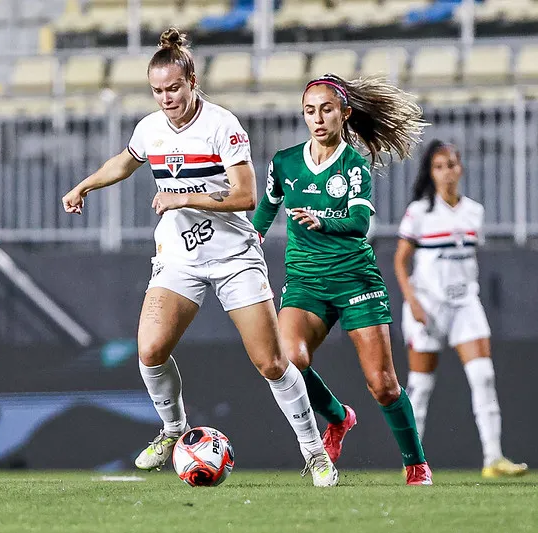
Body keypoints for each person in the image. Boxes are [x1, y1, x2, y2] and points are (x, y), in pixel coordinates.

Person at [61, 28, 337, 486]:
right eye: (157, 91)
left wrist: (182, 197)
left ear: (192, 80)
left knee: (270, 361)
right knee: (149, 350)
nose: (166, 99)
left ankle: (314, 452)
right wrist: (84, 185)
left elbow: (247, 196)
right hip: (180, 258)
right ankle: (173, 430)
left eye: (174, 88)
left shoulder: (222, 126)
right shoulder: (150, 128)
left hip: (233, 256)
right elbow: (126, 161)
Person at [252, 73, 433, 485]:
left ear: (345, 113)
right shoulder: (285, 162)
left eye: (327, 110)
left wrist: (321, 221)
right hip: (305, 282)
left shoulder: (354, 164)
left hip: (355, 281)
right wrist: (252, 239)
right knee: (287, 360)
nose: (318, 118)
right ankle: (337, 417)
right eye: (310, 111)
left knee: (383, 386)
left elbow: (358, 222)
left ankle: (416, 463)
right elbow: (267, 207)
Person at [393, 140, 528, 478]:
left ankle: (493, 458)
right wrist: (413, 301)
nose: (447, 172)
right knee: (420, 386)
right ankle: (413, 463)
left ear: (461, 168)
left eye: (451, 164)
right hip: (428, 305)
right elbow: (400, 262)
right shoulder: (419, 213)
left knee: (483, 377)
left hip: (466, 304)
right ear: (431, 172)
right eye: (439, 166)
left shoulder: (474, 212)